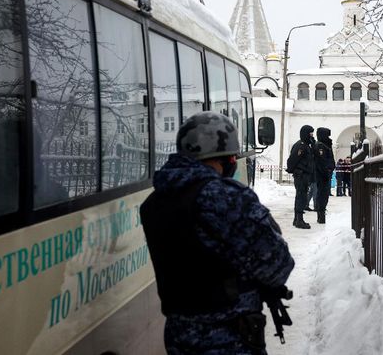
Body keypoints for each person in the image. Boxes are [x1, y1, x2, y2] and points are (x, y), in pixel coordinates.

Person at [140, 112, 295, 354]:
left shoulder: (156, 201)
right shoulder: (223, 196)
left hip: (179, 334)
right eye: (231, 157)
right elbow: (278, 264)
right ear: (220, 157)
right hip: (228, 337)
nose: (233, 162)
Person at [286, 125, 315, 229]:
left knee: (301, 196)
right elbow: (293, 159)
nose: (312, 135)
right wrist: (292, 170)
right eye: (310, 133)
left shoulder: (307, 144)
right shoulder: (301, 145)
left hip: (305, 174)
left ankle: (297, 219)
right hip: (301, 174)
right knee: (301, 197)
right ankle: (299, 220)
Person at [314, 128, 335, 224]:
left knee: (324, 195)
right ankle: (321, 215)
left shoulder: (326, 145)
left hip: (326, 175)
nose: (329, 138)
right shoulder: (320, 146)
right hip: (322, 175)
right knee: (322, 195)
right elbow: (322, 162)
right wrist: (327, 172)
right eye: (327, 136)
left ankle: (321, 213)